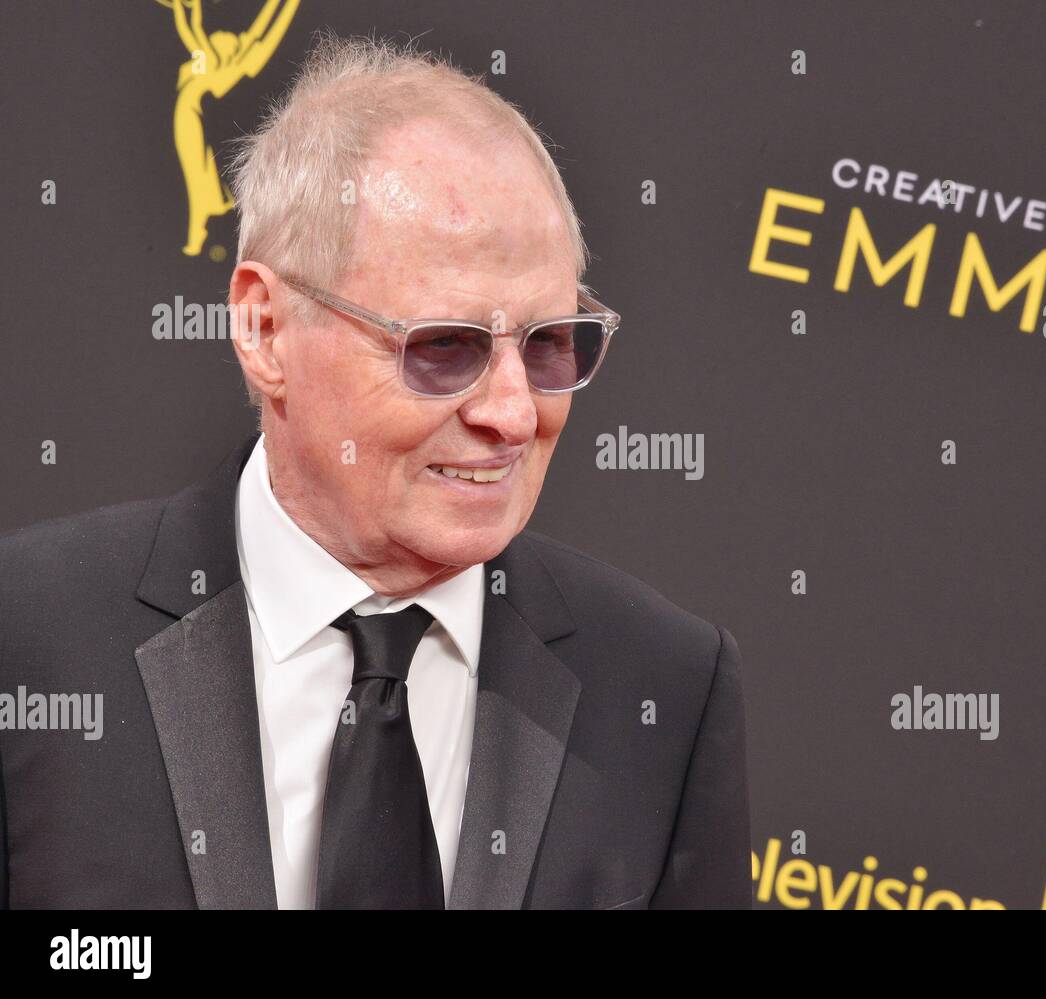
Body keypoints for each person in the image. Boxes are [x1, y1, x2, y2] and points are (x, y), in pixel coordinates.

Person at [0, 33, 750, 909]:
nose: (512, 412)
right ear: (266, 331)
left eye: (550, 344)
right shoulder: (28, 639)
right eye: (442, 346)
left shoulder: (665, 685)